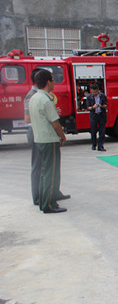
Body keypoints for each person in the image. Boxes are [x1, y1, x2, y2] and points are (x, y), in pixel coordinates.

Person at [24, 68, 69, 206]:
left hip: (40, 137)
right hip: (46, 137)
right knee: (46, 170)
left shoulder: (35, 97)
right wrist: (62, 136)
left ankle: (49, 196)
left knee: (46, 171)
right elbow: (54, 123)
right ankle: (45, 201)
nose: (54, 82)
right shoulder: (41, 98)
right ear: (47, 81)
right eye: (53, 79)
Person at [86, 84, 108, 151]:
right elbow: (88, 107)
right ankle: (94, 144)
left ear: (97, 90)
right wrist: (93, 107)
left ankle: (100, 146)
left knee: (102, 131)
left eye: (95, 92)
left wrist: (102, 106)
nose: (94, 94)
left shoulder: (102, 96)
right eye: (93, 92)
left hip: (101, 115)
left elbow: (106, 105)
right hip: (94, 115)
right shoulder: (89, 97)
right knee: (93, 131)